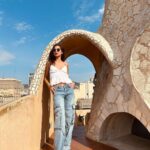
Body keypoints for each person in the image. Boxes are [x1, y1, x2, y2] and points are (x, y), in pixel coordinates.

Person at [44, 43, 75, 150]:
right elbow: (45, 78)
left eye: (58, 49)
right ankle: (59, 148)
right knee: (60, 119)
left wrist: (72, 83)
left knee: (69, 119)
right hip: (58, 91)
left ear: (61, 52)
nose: (56, 51)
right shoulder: (50, 64)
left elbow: (66, 77)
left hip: (69, 90)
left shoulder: (66, 64)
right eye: (54, 50)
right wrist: (50, 87)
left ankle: (66, 147)